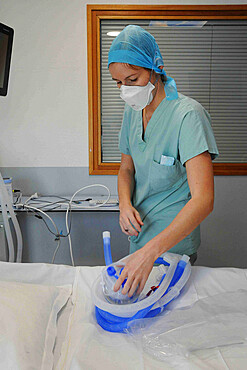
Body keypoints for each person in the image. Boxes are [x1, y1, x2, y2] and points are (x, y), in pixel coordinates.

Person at [107, 25, 219, 299]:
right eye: (119, 83)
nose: (125, 91)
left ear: (154, 69)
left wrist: (151, 252)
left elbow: (203, 200)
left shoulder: (188, 116)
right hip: (140, 241)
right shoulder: (133, 112)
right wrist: (124, 204)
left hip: (174, 247)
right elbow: (126, 169)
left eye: (132, 79)